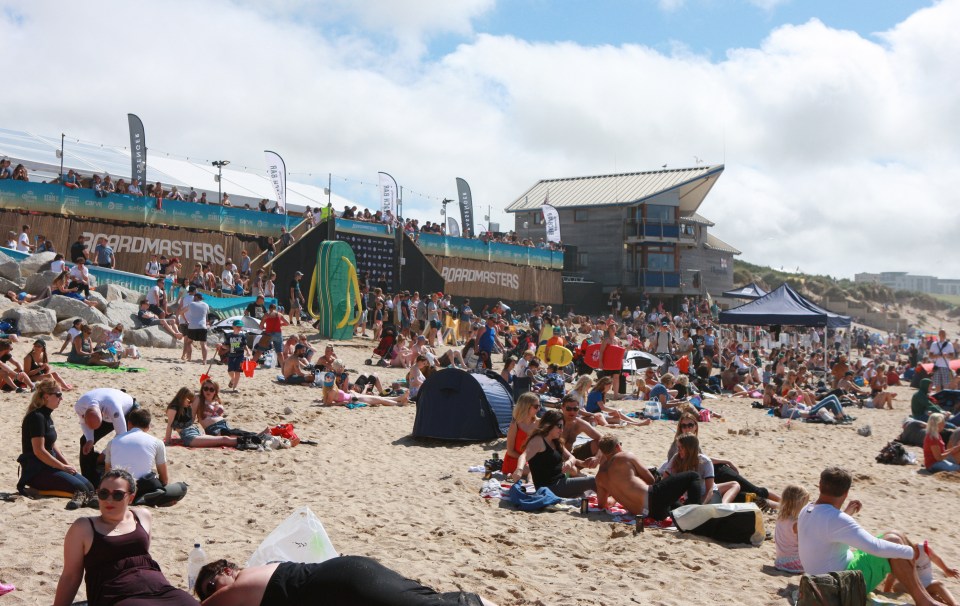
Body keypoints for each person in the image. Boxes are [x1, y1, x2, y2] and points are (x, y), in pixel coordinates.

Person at [797, 466, 945, 604]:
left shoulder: (807, 510)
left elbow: (826, 529)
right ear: (846, 493)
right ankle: (924, 601)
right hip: (839, 586)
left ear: (820, 485)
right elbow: (876, 548)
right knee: (894, 542)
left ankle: (922, 595)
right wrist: (912, 552)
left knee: (893, 535)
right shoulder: (836, 519)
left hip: (820, 581)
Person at [52, 469, 199, 606]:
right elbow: (71, 576)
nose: (109, 500)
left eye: (117, 495)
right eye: (103, 493)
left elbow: (142, 558)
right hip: (118, 595)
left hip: (160, 588)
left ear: (131, 497)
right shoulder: (84, 527)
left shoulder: (143, 516)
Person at [194, 555, 495, 606]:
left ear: (226, 570)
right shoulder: (264, 570)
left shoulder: (240, 585)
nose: (209, 594)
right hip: (349, 572)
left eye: (209, 586)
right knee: (422, 599)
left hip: (345, 583)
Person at [17, 380, 97, 508]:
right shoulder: (36, 417)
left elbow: (53, 445)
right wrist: (62, 467)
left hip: (49, 466)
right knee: (80, 489)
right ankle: (36, 490)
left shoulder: (46, 416)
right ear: (46, 396)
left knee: (90, 486)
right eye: (58, 395)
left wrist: (66, 464)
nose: (62, 398)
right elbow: (39, 451)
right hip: (37, 470)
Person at [594, 434, 703, 521]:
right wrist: (636, 478)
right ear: (618, 446)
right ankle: (695, 515)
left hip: (647, 514)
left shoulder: (599, 477)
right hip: (653, 500)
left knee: (672, 501)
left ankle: (687, 511)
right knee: (693, 476)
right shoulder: (625, 456)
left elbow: (603, 504)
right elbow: (651, 480)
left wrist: (615, 496)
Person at [103, 407, 187, 506]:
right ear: (148, 427)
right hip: (142, 489)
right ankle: (146, 498)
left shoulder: (113, 442)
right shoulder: (157, 442)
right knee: (182, 487)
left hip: (117, 490)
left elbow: (107, 473)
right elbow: (164, 479)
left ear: (129, 423)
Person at [509, 409, 595, 498]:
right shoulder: (538, 440)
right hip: (551, 487)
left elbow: (571, 457)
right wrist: (519, 469)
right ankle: (605, 505)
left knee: (585, 491)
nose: (561, 430)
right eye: (559, 426)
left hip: (560, 483)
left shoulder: (556, 441)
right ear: (548, 425)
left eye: (562, 426)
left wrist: (569, 462)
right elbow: (524, 456)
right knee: (593, 481)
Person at [74, 387, 137, 486]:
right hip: (104, 406)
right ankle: (88, 480)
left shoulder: (114, 407)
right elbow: (83, 424)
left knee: (123, 445)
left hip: (127, 410)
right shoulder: (79, 406)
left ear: (102, 415)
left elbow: (121, 436)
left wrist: (104, 454)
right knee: (84, 440)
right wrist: (90, 440)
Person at [660, 434, 740, 504]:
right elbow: (664, 481)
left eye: (681, 448)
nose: (679, 450)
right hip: (690, 495)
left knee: (709, 511)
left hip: (707, 493)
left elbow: (709, 490)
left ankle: (724, 506)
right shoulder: (676, 458)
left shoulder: (705, 461)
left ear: (690, 449)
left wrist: (701, 505)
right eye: (678, 447)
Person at [881, 537, 960, 606]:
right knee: (897, 586)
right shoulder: (902, 558)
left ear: (915, 547)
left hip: (928, 583)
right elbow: (891, 577)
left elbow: (936, 559)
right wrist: (886, 593)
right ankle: (936, 600)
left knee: (938, 584)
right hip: (913, 588)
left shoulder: (924, 549)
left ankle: (954, 603)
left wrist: (946, 569)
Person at [164, 387, 238, 448]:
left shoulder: (184, 407)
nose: (190, 403)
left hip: (197, 431)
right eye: (189, 401)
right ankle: (246, 441)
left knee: (225, 438)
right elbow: (170, 425)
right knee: (223, 439)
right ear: (183, 398)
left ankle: (246, 440)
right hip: (189, 436)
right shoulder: (173, 408)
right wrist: (167, 441)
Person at [501, 393, 539, 477]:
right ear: (526, 406)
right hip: (515, 460)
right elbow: (510, 451)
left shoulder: (539, 423)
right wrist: (526, 459)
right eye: (536, 406)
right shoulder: (515, 424)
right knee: (535, 471)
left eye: (539, 406)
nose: (539, 409)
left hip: (531, 460)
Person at [774, 485, 810, 573]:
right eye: (806, 502)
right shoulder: (796, 523)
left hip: (780, 562)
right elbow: (803, 544)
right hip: (795, 565)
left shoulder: (781, 517)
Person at [318, 372, 408, 406]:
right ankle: (399, 404)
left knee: (379, 399)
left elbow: (326, 402)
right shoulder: (332, 390)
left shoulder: (327, 388)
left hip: (352, 395)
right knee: (379, 399)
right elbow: (328, 404)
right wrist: (341, 403)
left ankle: (399, 399)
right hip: (353, 399)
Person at [183, 291, 211, 364]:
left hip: (192, 326)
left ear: (196, 297)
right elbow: (207, 317)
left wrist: (184, 318)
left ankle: (189, 358)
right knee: (204, 344)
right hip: (202, 326)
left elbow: (182, 312)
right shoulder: (206, 305)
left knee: (189, 342)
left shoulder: (191, 304)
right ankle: (204, 360)